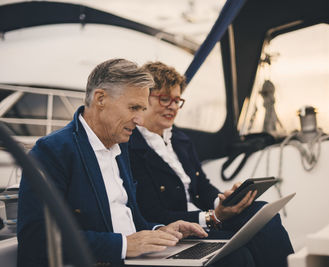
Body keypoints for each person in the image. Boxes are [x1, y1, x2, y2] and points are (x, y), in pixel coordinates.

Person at [16, 58, 210, 267]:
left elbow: (130, 221)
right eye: (134, 108)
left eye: (142, 109)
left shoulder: (120, 147)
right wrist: (123, 245)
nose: (139, 120)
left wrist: (160, 231)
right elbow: (36, 240)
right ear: (100, 98)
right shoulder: (52, 151)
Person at [128, 61, 294, 267]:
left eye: (177, 100)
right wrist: (211, 217)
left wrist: (224, 201)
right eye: (164, 99)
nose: (172, 106)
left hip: (206, 219)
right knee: (242, 253)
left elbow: (203, 185)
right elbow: (151, 214)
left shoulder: (180, 140)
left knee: (263, 213)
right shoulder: (130, 147)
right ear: (144, 97)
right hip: (179, 231)